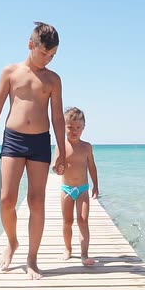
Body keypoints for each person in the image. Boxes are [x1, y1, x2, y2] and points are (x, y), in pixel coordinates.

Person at [0, 21, 66, 280]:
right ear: (31, 45)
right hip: (13, 140)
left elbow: (58, 117)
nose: (48, 59)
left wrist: (61, 149)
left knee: (36, 200)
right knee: (7, 199)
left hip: (40, 142)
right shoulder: (10, 72)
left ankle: (32, 258)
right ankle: (12, 241)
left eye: (52, 56)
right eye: (44, 53)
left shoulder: (53, 79)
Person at [54, 107, 99, 266]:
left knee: (83, 220)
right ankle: (68, 249)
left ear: (83, 128)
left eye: (78, 127)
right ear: (64, 127)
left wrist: (95, 186)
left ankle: (84, 255)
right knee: (67, 221)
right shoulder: (61, 146)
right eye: (70, 127)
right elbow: (55, 166)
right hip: (66, 189)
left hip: (82, 189)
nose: (74, 131)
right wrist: (58, 169)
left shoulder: (87, 147)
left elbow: (92, 166)